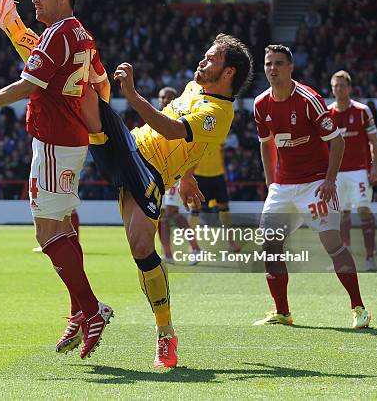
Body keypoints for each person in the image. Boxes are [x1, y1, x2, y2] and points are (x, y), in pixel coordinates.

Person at [0, 0, 113, 359]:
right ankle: (78, 312)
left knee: (46, 234)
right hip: (70, 140)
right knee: (66, 226)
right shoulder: (82, 34)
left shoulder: (57, 34)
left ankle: (91, 311)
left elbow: (26, 85)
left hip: (55, 142)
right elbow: (101, 84)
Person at [84, 34, 253, 368]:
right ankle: (17, 26)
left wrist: (132, 95)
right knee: (82, 95)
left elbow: (175, 130)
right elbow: (196, 145)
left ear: (229, 72)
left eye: (211, 60)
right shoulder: (193, 88)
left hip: (150, 173)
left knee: (142, 248)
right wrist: (188, 175)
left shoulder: (218, 112)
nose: (202, 62)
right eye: (205, 57)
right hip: (131, 150)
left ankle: (165, 334)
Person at [253, 44, 370, 329]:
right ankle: (282, 312)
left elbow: (337, 141)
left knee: (332, 242)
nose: (273, 69)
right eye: (269, 64)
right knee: (270, 245)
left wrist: (330, 180)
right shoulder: (260, 104)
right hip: (282, 186)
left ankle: (359, 308)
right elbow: (266, 144)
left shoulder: (309, 99)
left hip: (315, 185)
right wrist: (270, 183)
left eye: (279, 63)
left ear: (291, 67)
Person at [328, 70, 377, 271]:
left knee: (364, 210)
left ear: (349, 88)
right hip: (336, 173)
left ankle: (369, 256)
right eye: (335, 86)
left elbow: (374, 142)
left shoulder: (361, 111)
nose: (339, 89)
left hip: (359, 170)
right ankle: (345, 258)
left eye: (342, 85)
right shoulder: (328, 114)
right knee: (341, 214)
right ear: (332, 89)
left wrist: (375, 166)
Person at [155, 86, 201, 264]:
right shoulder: (156, 120)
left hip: (176, 172)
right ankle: (168, 255)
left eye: (169, 97)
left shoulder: (181, 120)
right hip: (160, 173)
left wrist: (187, 175)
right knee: (162, 215)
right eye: (162, 97)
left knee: (171, 213)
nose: (165, 100)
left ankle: (195, 249)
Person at [189, 144, 241, 252]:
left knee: (224, 208)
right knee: (195, 209)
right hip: (199, 176)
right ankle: (193, 245)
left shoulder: (220, 133)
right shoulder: (197, 132)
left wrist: (224, 175)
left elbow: (221, 152)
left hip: (218, 175)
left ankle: (230, 242)